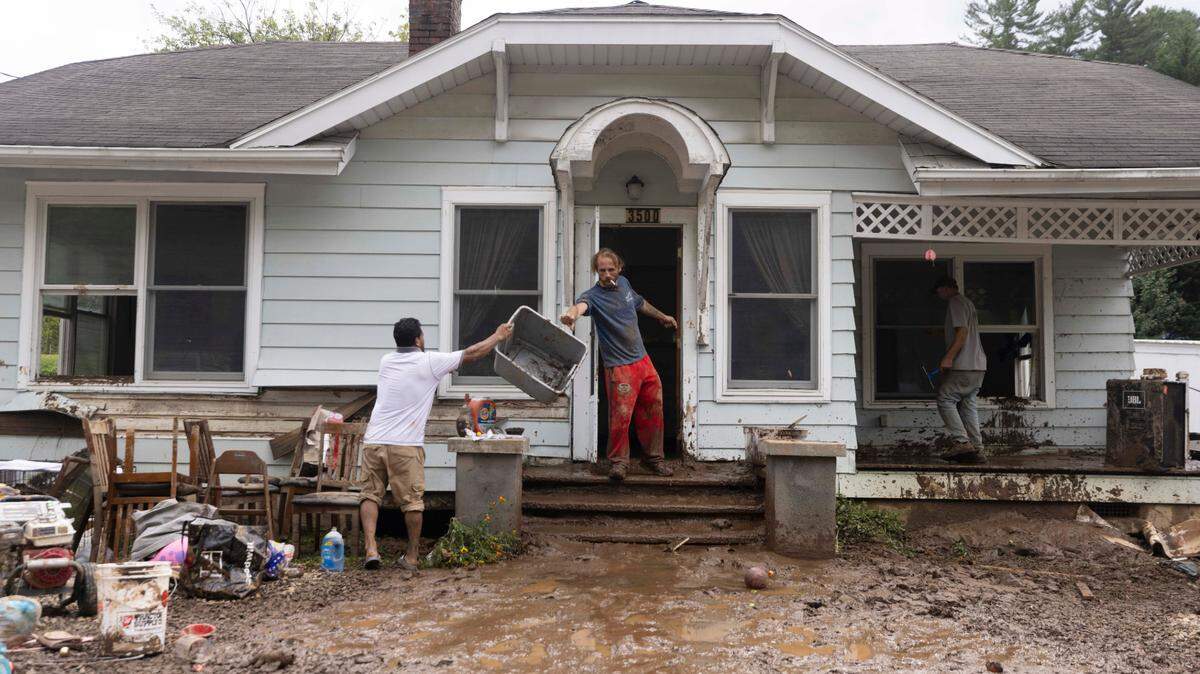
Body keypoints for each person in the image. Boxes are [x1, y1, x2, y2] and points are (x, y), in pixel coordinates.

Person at [360, 317, 512, 570]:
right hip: (404, 445)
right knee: (412, 501)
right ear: (419, 339)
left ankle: (371, 550)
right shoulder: (428, 361)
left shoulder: (386, 361)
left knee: (369, 494)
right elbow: (473, 353)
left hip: (373, 440)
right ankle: (411, 556)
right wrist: (498, 335)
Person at [560, 248, 677, 481]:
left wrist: (662, 316)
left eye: (610, 269)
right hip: (619, 367)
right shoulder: (592, 296)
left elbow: (639, 303)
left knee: (653, 409)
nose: (606, 274)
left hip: (643, 361)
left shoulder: (623, 284)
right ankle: (619, 463)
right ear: (596, 271)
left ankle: (653, 459)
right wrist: (571, 316)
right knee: (621, 416)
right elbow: (579, 307)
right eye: (601, 270)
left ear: (619, 268)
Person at [933, 276, 988, 463]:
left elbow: (962, 332)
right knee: (968, 404)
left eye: (938, 291)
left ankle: (961, 441)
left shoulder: (955, 302)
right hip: (978, 365)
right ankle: (977, 448)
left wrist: (948, 357)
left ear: (946, 288)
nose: (938, 295)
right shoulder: (967, 303)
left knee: (945, 399)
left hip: (963, 364)